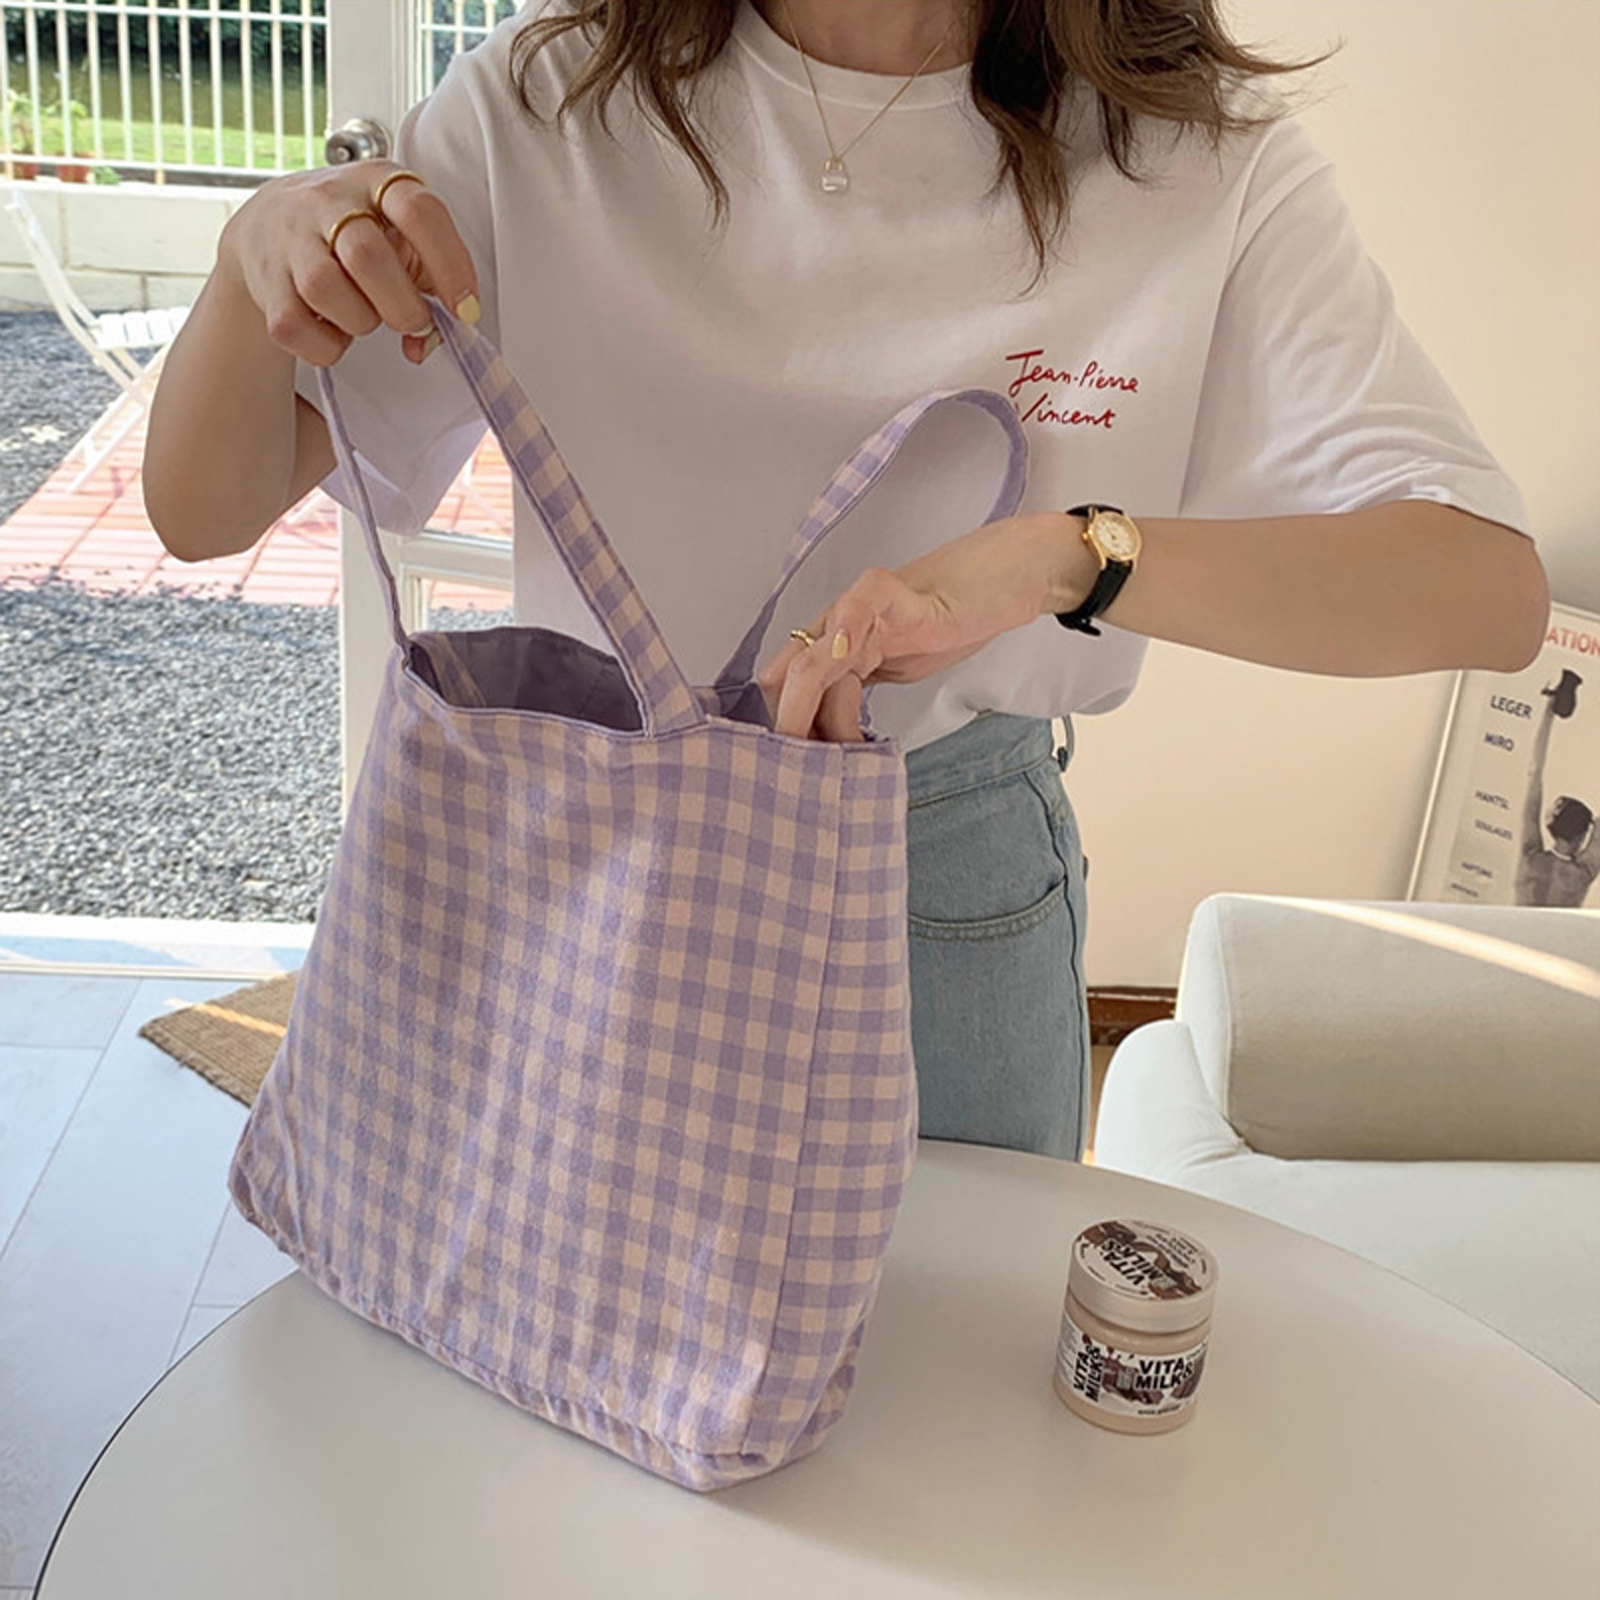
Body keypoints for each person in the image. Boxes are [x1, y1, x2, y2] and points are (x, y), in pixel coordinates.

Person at [143, 0, 1549, 1163]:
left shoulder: (1194, 153)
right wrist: (249, 260)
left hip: (934, 873)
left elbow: (1484, 591)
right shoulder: (549, 96)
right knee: (526, 1348)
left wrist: (1059, 555)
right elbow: (202, 508)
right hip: (582, 843)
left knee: (933, 1389)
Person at [1516, 669, 1598, 907]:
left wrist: (1549, 710)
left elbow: (1534, 773)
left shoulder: (1531, 858)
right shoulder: (1583, 873)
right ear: (1582, 836)